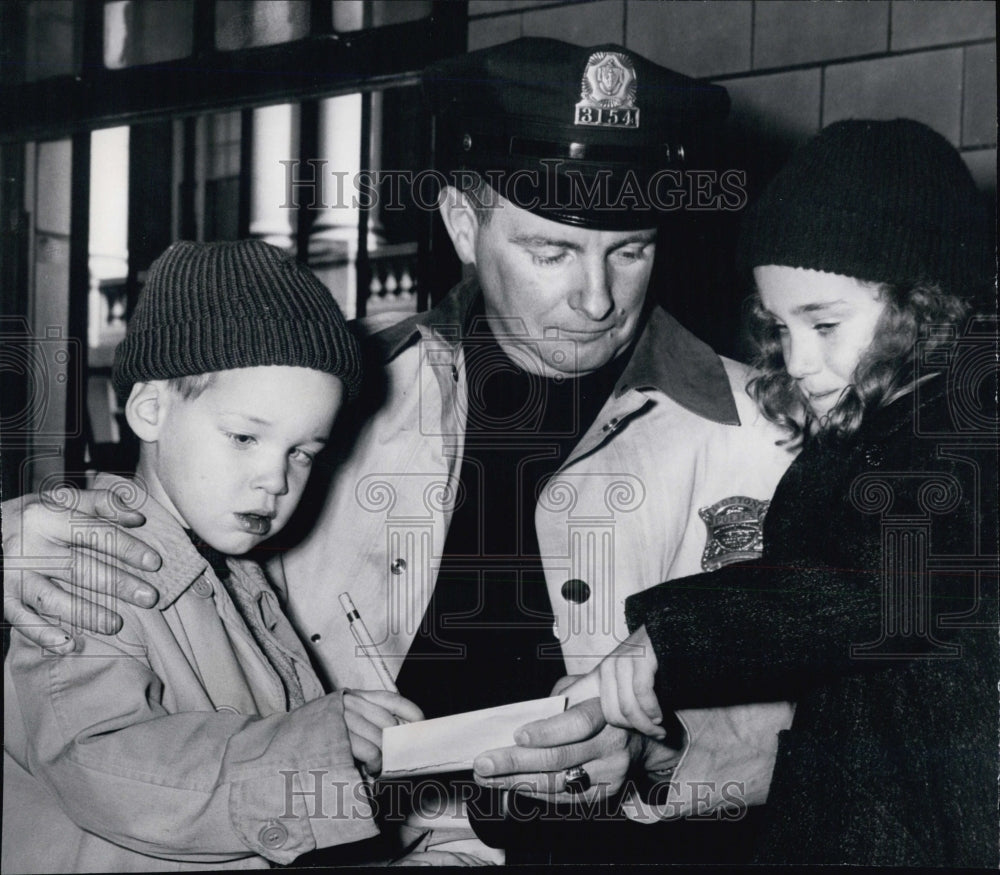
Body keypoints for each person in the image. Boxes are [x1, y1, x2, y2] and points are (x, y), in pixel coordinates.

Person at [3, 40, 797, 863]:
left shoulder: (767, 433)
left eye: (630, 250)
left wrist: (657, 756)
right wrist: (13, 537)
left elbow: (826, 711)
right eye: (551, 251)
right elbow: (179, 529)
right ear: (461, 223)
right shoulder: (337, 389)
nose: (598, 299)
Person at [569, 119, 998, 866]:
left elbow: (878, 585)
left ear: (926, 308)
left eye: (825, 324)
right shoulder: (880, 431)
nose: (798, 360)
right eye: (778, 326)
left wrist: (674, 634)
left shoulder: (971, 430)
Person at [2, 240, 495, 872]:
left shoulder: (240, 579)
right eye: (244, 437)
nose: (276, 480)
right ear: (150, 409)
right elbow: (100, 762)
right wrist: (315, 746)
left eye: (303, 452)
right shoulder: (84, 562)